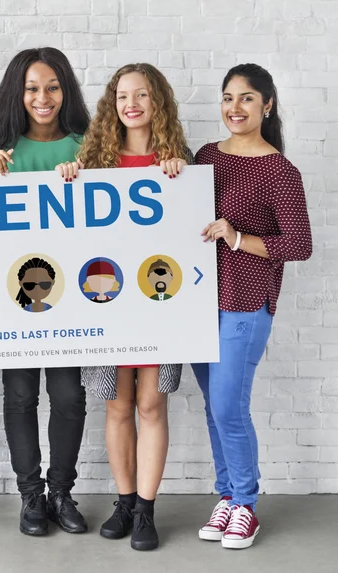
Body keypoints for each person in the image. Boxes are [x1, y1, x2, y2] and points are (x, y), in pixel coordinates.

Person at [193, 63, 312, 549]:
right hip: (198, 300)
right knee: (213, 408)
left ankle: (245, 504)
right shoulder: (204, 156)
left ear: (267, 105)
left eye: (246, 98)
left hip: (245, 302)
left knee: (228, 406)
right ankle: (226, 496)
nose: (234, 108)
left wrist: (238, 237)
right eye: (227, 98)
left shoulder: (279, 170)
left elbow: (299, 244)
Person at [75, 63, 190, 551]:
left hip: (159, 302)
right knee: (118, 403)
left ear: (157, 101)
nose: (132, 104)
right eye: (123, 96)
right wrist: (70, 175)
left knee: (151, 402)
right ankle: (124, 502)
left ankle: (145, 509)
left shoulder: (177, 162)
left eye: (142, 94)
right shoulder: (95, 160)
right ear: (112, 104)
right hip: (106, 301)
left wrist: (181, 177)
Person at [0, 47, 91, 536]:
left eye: (51, 86)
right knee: (20, 396)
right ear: (16, 94)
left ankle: (61, 492)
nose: (42, 97)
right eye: (31, 88)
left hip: (70, 298)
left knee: (68, 397)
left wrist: (86, 174)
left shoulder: (86, 146)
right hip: (15, 298)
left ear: (64, 90)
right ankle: (31, 498)